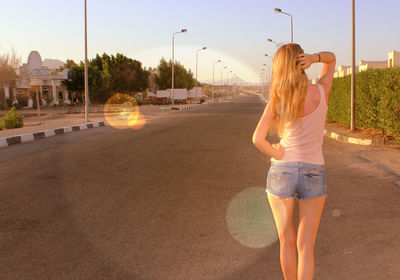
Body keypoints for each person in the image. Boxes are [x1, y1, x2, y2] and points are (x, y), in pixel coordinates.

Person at [252, 44, 336, 280]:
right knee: (305, 245)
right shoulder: (321, 90)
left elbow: (257, 138)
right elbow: (332, 60)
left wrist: (277, 153)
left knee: (286, 242)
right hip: (314, 171)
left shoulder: (278, 98)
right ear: (302, 63)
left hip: (282, 171)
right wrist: (316, 58)